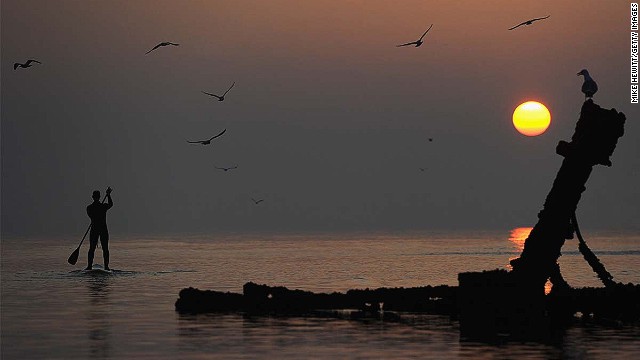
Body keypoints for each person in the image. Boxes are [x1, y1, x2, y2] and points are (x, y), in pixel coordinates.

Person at [86, 187, 113, 270]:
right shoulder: (101, 207)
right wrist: (108, 195)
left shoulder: (90, 207)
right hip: (100, 229)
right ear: (99, 197)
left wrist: (108, 195)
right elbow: (111, 204)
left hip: (96, 229)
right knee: (102, 248)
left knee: (93, 248)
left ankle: (91, 266)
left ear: (93, 197)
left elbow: (111, 205)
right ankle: (105, 266)